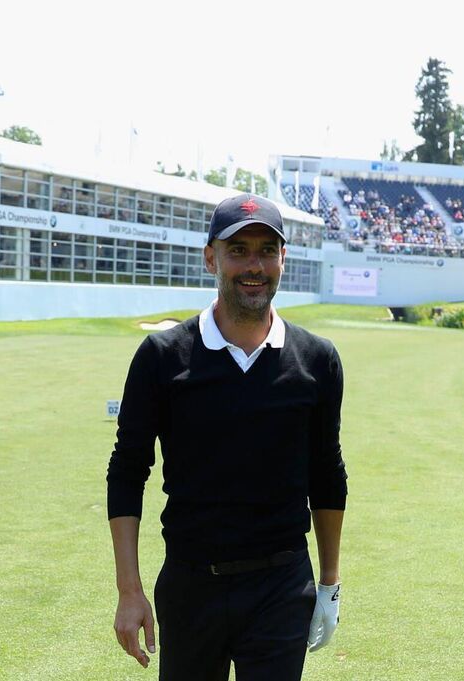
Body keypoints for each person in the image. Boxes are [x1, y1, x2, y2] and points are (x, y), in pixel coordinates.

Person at [107, 193, 348, 680]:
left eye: (265, 250)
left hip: (282, 586)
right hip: (191, 585)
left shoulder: (317, 360)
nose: (253, 265)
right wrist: (129, 590)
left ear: (283, 259)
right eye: (238, 250)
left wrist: (329, 585)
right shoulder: (162, 356)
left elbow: (327, 476)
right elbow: (127, 471)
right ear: (211, 256)